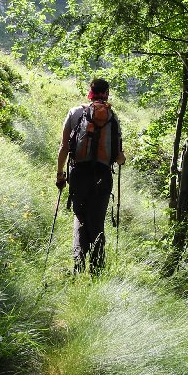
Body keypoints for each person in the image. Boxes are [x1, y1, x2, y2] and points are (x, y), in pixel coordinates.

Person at [56, 78, 126, 274]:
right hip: (103, 177)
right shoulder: (113, 117)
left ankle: (78, 264)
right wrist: (121, 160)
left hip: (79, 174)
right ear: (107, 93)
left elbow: (63, 147)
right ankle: (97, 270)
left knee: (81, 217)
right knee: (97, 220)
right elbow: (119, 157)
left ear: (90, 91)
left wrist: (60, 174)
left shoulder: (75, 112)